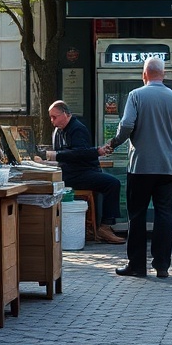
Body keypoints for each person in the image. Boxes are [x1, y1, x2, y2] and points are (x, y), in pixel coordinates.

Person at [103, 56, 172, 279]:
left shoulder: (136, 96)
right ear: (163, 75)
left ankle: (137, 266)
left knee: (137, 215)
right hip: (168, 167)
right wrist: (169, 138)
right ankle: (162, 266)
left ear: (144, 75)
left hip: (141, 166)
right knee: (163, 214)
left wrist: (115, 142)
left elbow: (126, 125)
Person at [45, 100, 126, 244]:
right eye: (51, 117)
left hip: (77, 172)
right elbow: (75, 154)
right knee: (112, 183)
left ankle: (104, 227)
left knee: (112, 183)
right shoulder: (59, 130)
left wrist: (55, 156)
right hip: (73, 174)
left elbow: (79, 153)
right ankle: (105, 226)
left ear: (65, 114)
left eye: (54, 117)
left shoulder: (76, 129)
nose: (52, 121)